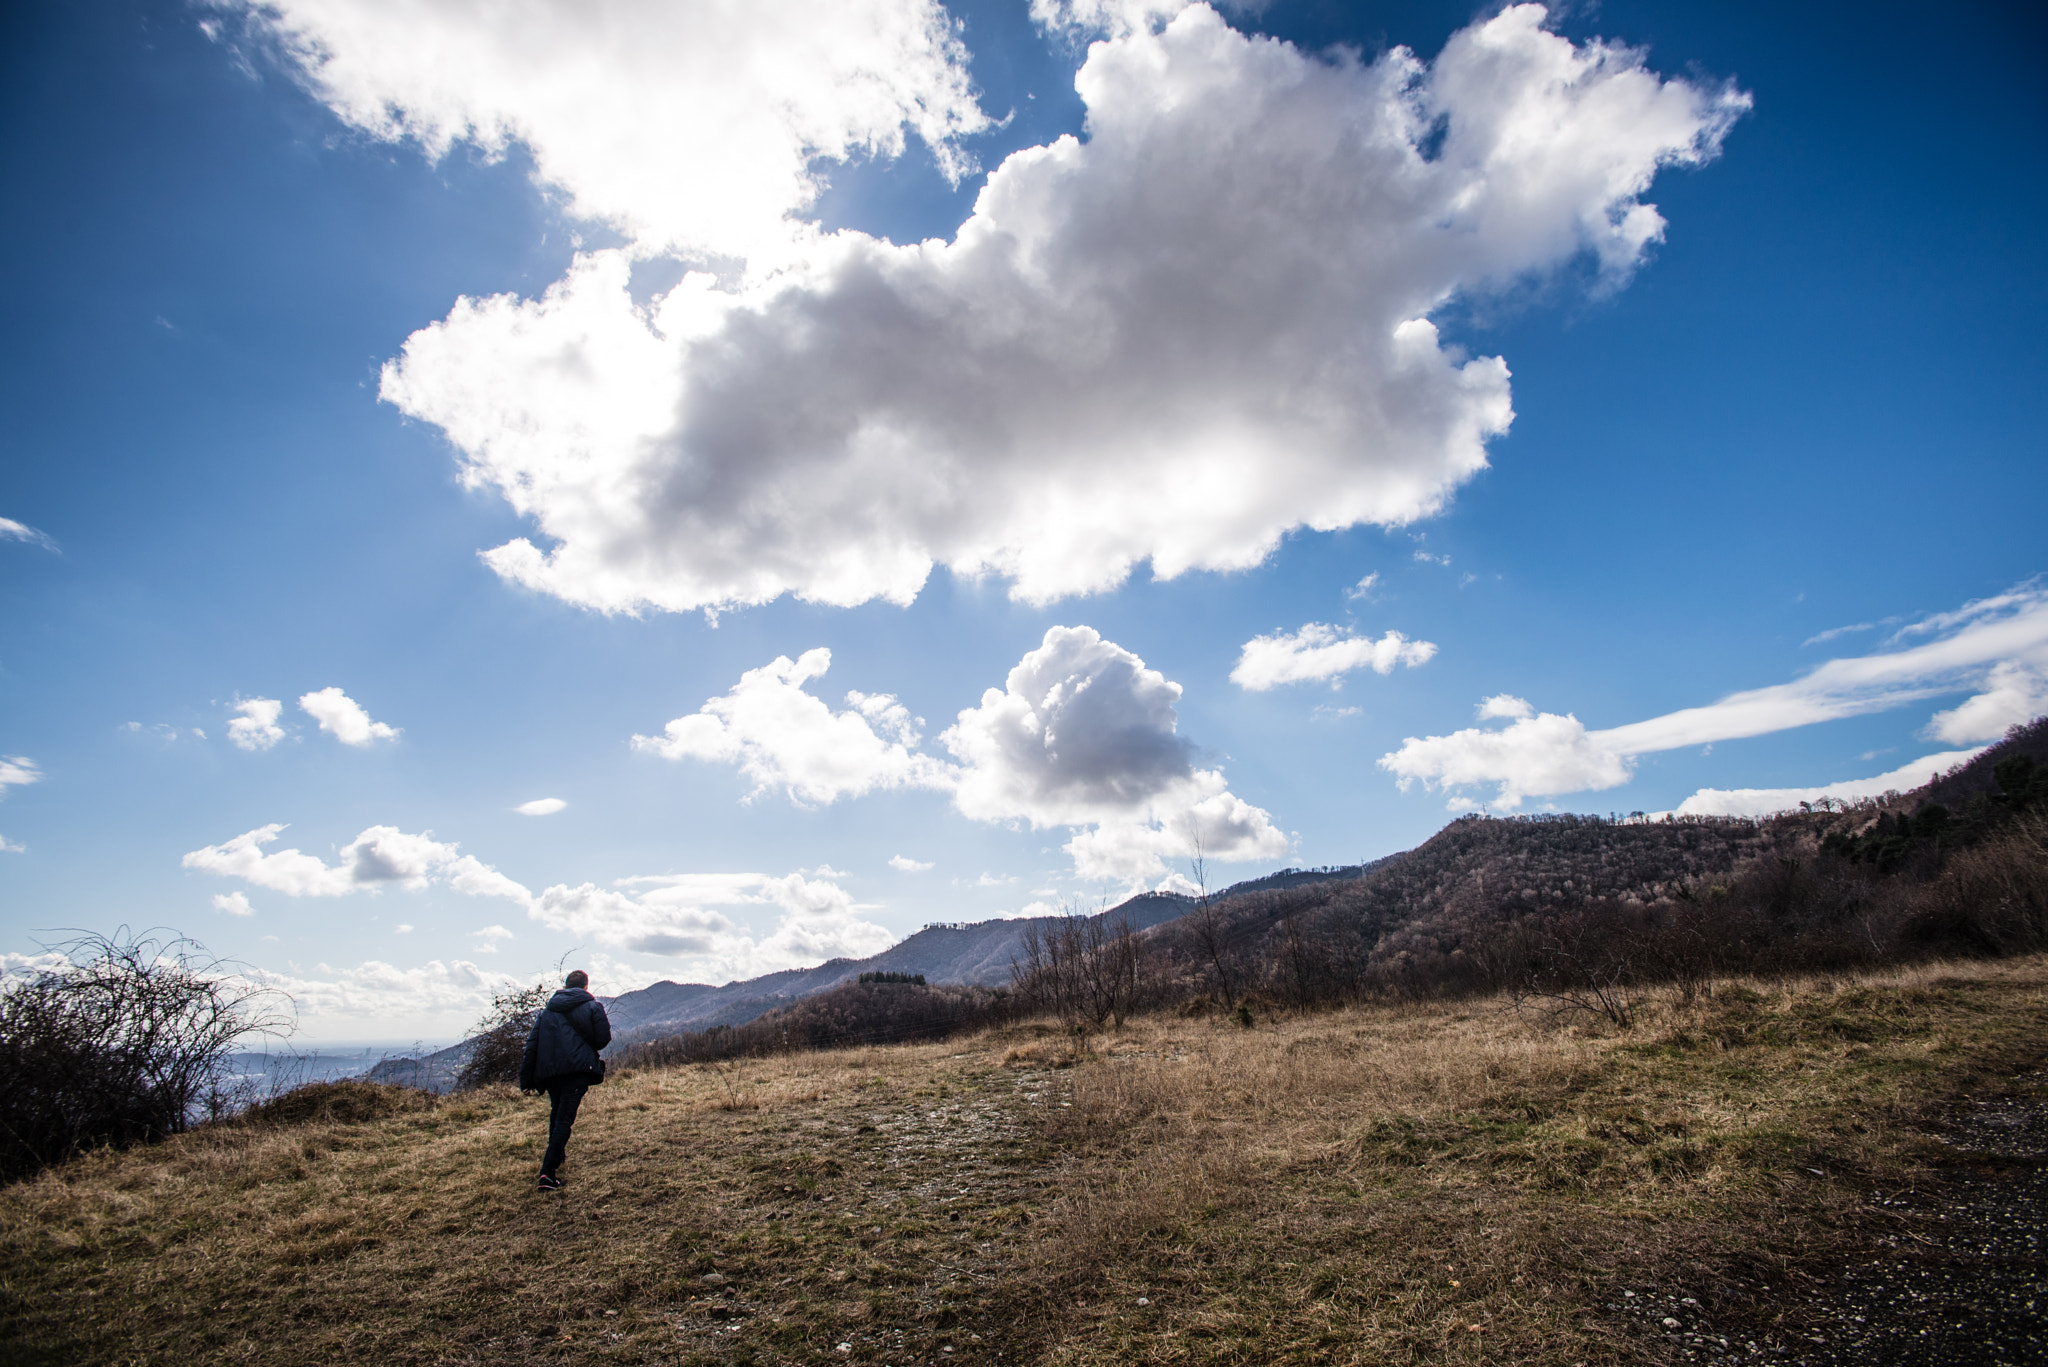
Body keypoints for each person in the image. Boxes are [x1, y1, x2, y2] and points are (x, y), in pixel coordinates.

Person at [518, 968, 610, 1191]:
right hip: (577, 1070)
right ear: (586, 986)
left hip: (550, 1071)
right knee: (564, 1120)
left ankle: (556, 1157)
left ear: (566, 986)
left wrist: (526, 1080)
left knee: (557, 1112)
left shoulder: (548, 1011)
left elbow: (532, 1045)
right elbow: (602, 1039)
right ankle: (547, 1173)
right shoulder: (593, 1007)